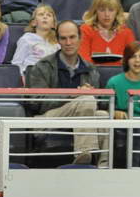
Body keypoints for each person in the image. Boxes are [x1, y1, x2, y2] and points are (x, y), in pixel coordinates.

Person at [27, 20, 109, 167]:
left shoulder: (90, 69)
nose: (68, 42)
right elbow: (36, 103)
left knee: (103, 116)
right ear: (58, 40)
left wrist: (90, 95)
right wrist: (72, 95)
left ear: (80, 38)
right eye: (63, 38)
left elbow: (99, 102)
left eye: (72, 37)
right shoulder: (43, 66)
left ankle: (104, 165)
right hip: (46, 119)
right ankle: (83, 156)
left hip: (81, 116)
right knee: (86, 100)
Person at [106, 41, 140, 166]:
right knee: (133, 126)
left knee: (137, 126)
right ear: (126, 60)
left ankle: (132, 168)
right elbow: (105, 108)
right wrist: (115, 112)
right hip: (122, 123)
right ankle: (130, 169)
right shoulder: (114, 82)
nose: (137, 61)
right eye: (133, 57)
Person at [79, 0, 135, 66]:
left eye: (111, 10)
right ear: (95, 11)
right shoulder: (86, 30)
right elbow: (83, 59)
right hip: (93, 74)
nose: (107, 14)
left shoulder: (126, 32)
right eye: (102, 10)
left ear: (117, 12)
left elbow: (132, 59)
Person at [11, 3, 60, 78]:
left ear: (53, 24)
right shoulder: (26, 39)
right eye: (41, 14)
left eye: (49, 15)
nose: (45, 17)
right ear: (34, 22)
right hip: (31, 77)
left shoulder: (57, 44)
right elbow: (17, 63)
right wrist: (22, 77)